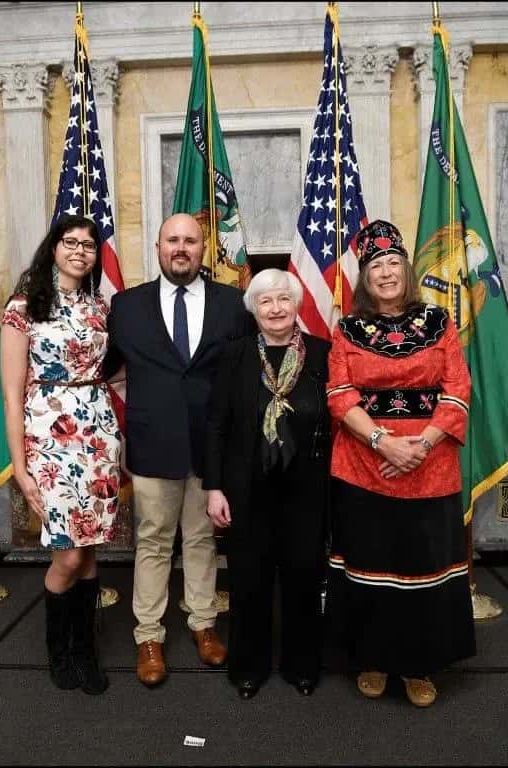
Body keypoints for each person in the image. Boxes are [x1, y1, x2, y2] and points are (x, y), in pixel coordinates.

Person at [324, 219, 476, 707]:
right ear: (364, 278)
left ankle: (419, 664)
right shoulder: (346, 329)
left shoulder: (440, 322)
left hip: (431, 466)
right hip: (363, 463)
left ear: (406, 270)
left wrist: (421, 446)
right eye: (376, 266)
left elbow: (458, 389)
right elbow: (339, 393)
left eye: (394, 263)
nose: (386, 273)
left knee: (423, 565)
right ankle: (371, 658)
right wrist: (383, 443)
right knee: (369, 562)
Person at [103, 212, 250, 687]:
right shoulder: (125, 306)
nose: (181, 248)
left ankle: (204, 624)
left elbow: (247, 372)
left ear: (203, 249)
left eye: (190, 240)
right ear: (158, 246)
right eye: (172, 240)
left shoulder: (233, 304)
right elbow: (101, 368)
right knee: (153, 541)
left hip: (213, 447)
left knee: (204, 540)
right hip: (153, 444)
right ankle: (149, 635)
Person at [0, 215, 121, 695]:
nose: (79, 251)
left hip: (97, 433)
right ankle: (59, 651)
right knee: (67, 557)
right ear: (53, 248)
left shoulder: (99, 306)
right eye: (69, 242)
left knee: (89, 552)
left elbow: (110, 369)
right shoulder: (23, 306)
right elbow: (11, 394)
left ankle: (84, 652)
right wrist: (21, 468)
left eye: (88, 245)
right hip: (49, 439)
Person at [204, 268, 331, 699]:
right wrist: (215, 487)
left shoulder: (323, 354)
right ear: (253, 309)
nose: (275, 309)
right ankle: (248, 667)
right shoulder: (234, 355)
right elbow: (217, 425)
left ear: (297, 305)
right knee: (248, 580)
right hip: (245, 489)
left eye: (283, 300)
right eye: (265, 301)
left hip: (308, 489)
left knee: (303, 576)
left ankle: (302, 666)